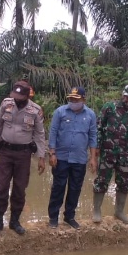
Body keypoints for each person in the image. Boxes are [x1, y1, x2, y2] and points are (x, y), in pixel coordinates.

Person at [0, 81, 46, 235]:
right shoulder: (6, 104)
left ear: (27, 96)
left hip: (23, 155)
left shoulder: (35, 110)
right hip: (5, 152)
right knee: (2, 186)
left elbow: (39, 134)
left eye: (20, 96)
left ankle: (15, 221)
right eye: (15, 95)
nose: (16, 99)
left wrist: (41, 157)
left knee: (19, 188)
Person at [92, 84, 128, 224]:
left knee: (124, 184)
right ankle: (97, 210)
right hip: (108, 153)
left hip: (126, 156)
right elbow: (98, 127)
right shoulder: (109, 107)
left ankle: (119, 211)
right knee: (102, 181)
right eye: (124, 95)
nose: (125, 98)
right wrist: (97, 147)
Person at [47, 87, 97, 229]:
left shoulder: (90, 115)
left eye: (76, 99)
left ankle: (69, 217)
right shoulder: (60, 112)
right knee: (58, 187)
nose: (73, 102)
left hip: (80, 159)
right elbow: (53, 132)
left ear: (83, 100)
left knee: (75, 188)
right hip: (61, 157)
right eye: (71, 99)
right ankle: (53, 217)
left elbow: (93, 136)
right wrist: (52, 153)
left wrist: (93, 158)